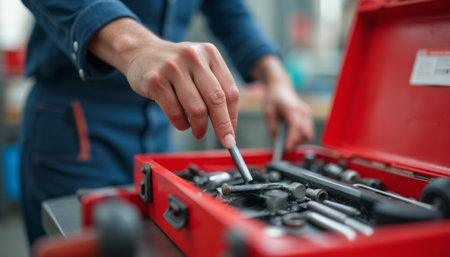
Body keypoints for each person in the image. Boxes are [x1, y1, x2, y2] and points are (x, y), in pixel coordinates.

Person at [20, 0, 314, 245]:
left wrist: (277, 79)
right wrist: (133, 45)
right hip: (76, 127)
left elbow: (229, 12)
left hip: (159, 127)